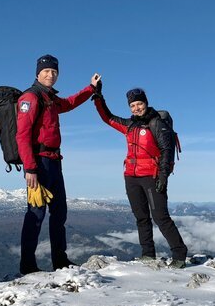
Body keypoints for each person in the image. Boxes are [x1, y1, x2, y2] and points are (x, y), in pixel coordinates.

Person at [15, 54, 101, 274]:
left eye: (54, 72)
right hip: (39, 164)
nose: (51, 75)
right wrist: (30, 168)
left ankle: (60, 261)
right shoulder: (31, 98)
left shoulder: (50, 99)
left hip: (54, 163)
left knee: (59, 213)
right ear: (37, 73)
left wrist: (90, 88)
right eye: (46, 71)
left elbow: (70, 103)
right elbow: (22, 136)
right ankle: (28, 265)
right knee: (35, 214)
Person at [93, 86, 188, 268]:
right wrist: (98, 97)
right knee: (141, 217)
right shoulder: (129, 125)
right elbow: (108, 118)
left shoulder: (156, 123)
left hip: (152, 176)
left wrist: (163, 175)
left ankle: (179, 253)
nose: (136, 108)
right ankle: (147, 254)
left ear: (146, 103)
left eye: (139, 104)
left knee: (160, 216)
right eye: (133, 105)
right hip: (131, 176)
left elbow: (166, 150)